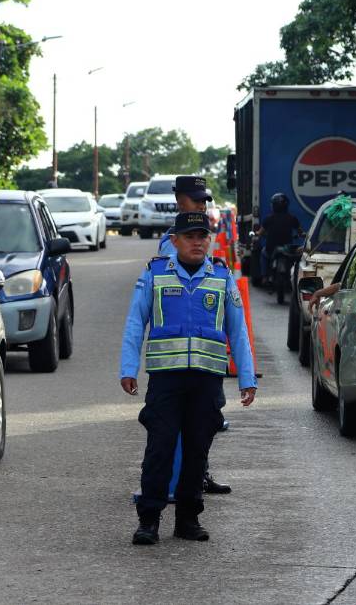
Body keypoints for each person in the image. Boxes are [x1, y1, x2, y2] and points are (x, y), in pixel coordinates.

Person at [120, 211, 257, 545]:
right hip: (166, 379)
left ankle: (188, 519)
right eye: (190, 237)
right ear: (175, 241)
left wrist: (247, 378)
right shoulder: (155, 273)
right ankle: (149, 520)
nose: (197, 242)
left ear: (209, 240)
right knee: (160, 449)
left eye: (202, 236)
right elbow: (136, 322)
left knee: (197, 451)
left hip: (206, 381)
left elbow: (237, 330)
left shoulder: (221, 276)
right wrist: (128, 368)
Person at [154, 175, 231, 495]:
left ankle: (198, 473)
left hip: (204, 352)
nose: (201, 205)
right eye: (195, 199)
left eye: (203, 200)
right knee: (179, 426)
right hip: (179, 356)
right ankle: (175, 484)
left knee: (206, 420)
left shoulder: (198, 235)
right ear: (179, 200)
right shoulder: (171, 242)